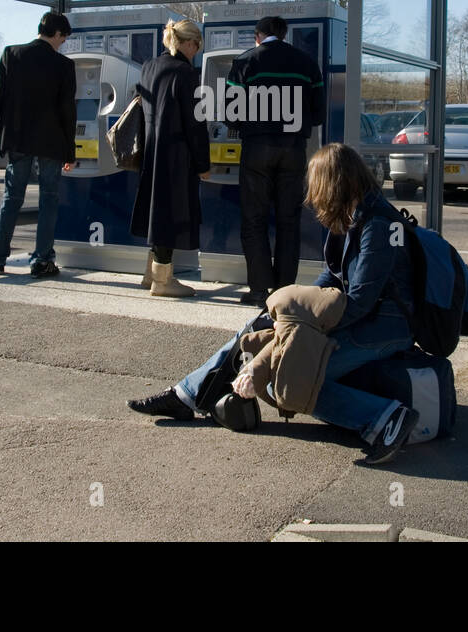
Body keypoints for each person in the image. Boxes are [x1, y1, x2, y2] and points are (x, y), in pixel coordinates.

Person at [129, 142, 420, 465]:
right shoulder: (352, 214)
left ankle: (385, 419)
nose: (312, 193)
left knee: (293, 375)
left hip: (384, 328)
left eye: (316, 184)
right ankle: (187, 395)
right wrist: (289, 312)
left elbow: (360, 303)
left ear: (331, 184)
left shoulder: (378, 225)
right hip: (358, 318)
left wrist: (299, 328)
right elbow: (332, 277)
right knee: (259, 326)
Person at [228, 16, 325, 307]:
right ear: (284, 34)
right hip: (293, 149)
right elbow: (318, 114)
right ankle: (284, 292)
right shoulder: (307, 63)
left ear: (258, 36)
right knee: (288, 220)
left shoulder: (245, 61)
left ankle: (259, 290)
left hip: (257, 147)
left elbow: (231, 114)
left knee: (254, 219)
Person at [0, 10, 77, 277]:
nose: (62, 43)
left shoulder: (12, 55)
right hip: (52, 144)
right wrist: (70, 151)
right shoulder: (64, 66)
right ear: (56, 34)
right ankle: (42, 260)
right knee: (49, 200)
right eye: (63, 39)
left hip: (18, 139)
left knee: (12, 199)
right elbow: (68, 112)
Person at [130, 18, 211, 298]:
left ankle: (149, 274)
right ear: (188, 43)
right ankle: (163, 281)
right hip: (176, 155)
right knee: (168, 214)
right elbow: (196, 124)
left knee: (156, 210)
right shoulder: (186, 74)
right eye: (196, 47)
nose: (196, 52)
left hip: (151, 150)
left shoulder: (149, 67)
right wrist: (204, 164)